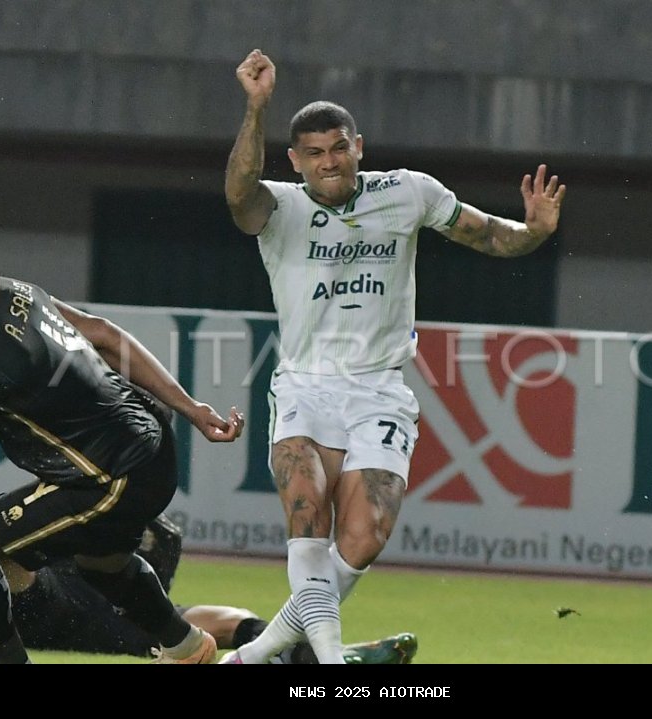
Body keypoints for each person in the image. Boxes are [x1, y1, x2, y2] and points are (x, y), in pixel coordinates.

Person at [222, 49, 567, 664]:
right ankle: (330, 669)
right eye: (314, 153)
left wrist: (533, 232)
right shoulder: (281, 209)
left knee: (365, 538)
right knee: (307, 514)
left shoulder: (409, 193)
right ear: (296, 161)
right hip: (305, 384)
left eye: (338, 148)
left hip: (380, 389)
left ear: (359, 146)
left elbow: (487, 234)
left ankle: (252, 658)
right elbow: (237, 191)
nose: (329, 162)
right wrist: (256, 107)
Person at [0, 214, 245, 664]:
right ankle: (187, 648)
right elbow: (103, 335)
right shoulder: (12, 292)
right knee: (101, 564)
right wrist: (191, 408)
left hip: (110, 479)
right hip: (155, 444)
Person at [0, 508, 419, 664]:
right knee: (20, 561)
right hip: (71, 605)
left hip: (115, 614)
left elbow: (151, 592)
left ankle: (335, 657)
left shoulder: (160, 532)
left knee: (232, 617)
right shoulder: (98, 502)